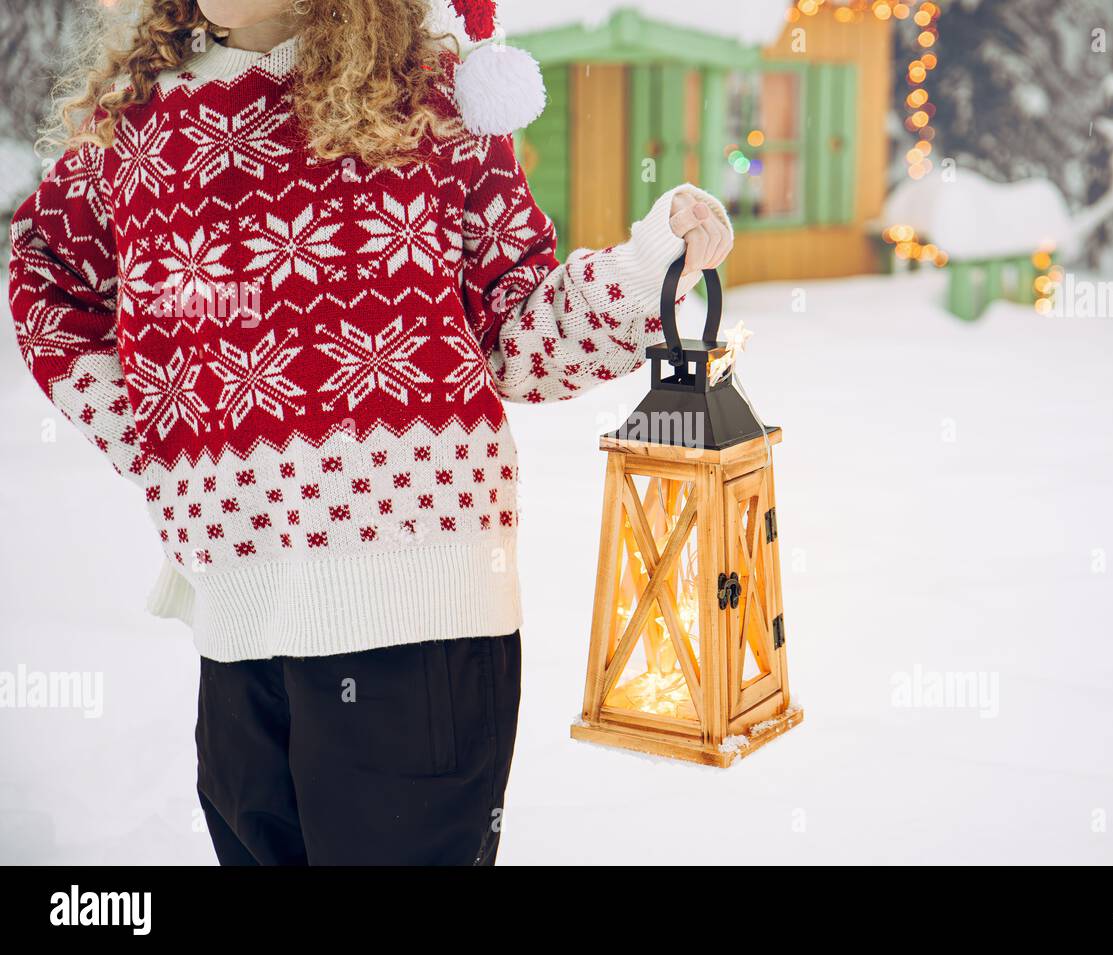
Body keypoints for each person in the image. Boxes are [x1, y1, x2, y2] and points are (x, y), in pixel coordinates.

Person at [7, 0, 733, 865]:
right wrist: (165, 435)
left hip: (419, 630)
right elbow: (46, 271)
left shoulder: (433, 99)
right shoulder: (137, 126)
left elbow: (518, 334)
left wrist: (648, 265)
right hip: (240, 632)